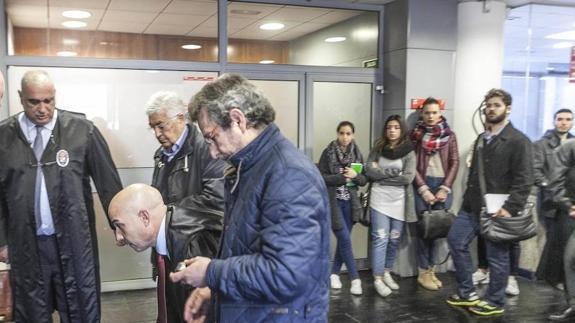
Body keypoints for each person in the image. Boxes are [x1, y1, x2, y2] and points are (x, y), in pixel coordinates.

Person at [170, 74, 330, 322]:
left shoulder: (289, 173)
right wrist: (215, 291)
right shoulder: (251, 167)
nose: (212, 152)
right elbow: (246, 250)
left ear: (237, 120)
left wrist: (211, 273)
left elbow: (285, 274)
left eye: (212, 137)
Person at [0, 70, 123, 322]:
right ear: (21, 97)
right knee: (32, 311)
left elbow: (108, 182)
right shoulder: (4, 136)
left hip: (74, 241)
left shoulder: (82, 131)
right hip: (26, 244)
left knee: (80, 307)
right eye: (34, 102)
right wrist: (1, 240)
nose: (43, 108)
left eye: (49, 100)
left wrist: (120, 223)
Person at [446, 88, 533, 316]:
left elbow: (525, 180)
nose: (491, 108)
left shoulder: (518, 141)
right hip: (471, 206)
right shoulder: (482, 138)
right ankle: (467, 293)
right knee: (456, 241)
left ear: (508, 109)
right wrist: (465, 201)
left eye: (496, 105)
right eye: (488, 104)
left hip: (498, 209)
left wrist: (509, 208)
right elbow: (475, 173)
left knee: (497, 256)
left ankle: (495, 301)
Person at [145, 91, 226, 322]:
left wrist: (167, 216)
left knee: (194, 314)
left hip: (198, 253)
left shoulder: (205, 149)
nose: (157, 134)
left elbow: (215, 200)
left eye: (161, 126)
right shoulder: (161, 155)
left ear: (181, 118)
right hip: (169, 250)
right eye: (152, 127)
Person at [108, 183, 222, 323]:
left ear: (144, 217)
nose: (119, 237)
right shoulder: (171, 229)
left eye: (119, 225)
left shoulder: (191, 243)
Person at [410, 97, 459, 291]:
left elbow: (455, 162)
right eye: (427, 112)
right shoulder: (415, 135)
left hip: (442, 186)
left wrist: (444, 187)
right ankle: (423, 272)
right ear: (422, 113)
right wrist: (423, 189)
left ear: (440, 113)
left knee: (438, 232)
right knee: (424, 231)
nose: (431, 116)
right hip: (423, 185)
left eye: (434, 112)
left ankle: (432, 270)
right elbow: (411, 164)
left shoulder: (450, 135)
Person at [365, 115, 416, 297]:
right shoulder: (378, 147)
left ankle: (387, 272)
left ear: (401, 130)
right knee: (380, 238)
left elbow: (408, 178)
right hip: (379, 199)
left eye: (395, 127)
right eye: (389, 127)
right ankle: (377, 278)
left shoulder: (409, 151)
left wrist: (382, 174)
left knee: (394, 239)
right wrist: (393, 174)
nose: (392, 130)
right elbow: (369, 171)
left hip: (400, 201)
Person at [318, 121, 366, 295]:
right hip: (334, 203)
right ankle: (355, 278)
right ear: (337, 134)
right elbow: (321, 178)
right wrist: (340, 178)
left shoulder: (357, 153)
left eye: (348, 133)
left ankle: (334, 273)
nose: (345, 137)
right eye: (342, 133)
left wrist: (356, 175)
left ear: (353, 135)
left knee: (343, 241)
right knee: (344, 239)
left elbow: (363, 180)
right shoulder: (328, 152)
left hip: (351, 204)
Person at [543, 139, 575, 321]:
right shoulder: (570, 147)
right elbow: (555, 180)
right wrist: (568, 205)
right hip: (572, 211)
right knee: (570, 259)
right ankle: (573, 304)